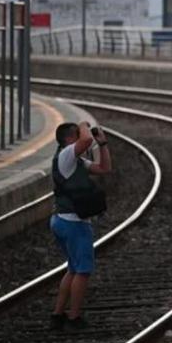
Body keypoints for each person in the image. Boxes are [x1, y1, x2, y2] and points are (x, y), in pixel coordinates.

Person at [49, 120, 112, 331]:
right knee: (83, 271)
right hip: (73, 224)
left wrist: (102, 145)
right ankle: (74, 318)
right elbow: (85, 139)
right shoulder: (66, 154)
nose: (83, 136)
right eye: (77, 134)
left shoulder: (75, 161)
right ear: (68, 139)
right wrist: (84, 124)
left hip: (64, 220)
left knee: (73, 269)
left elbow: (104, 169)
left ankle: (58, 315)